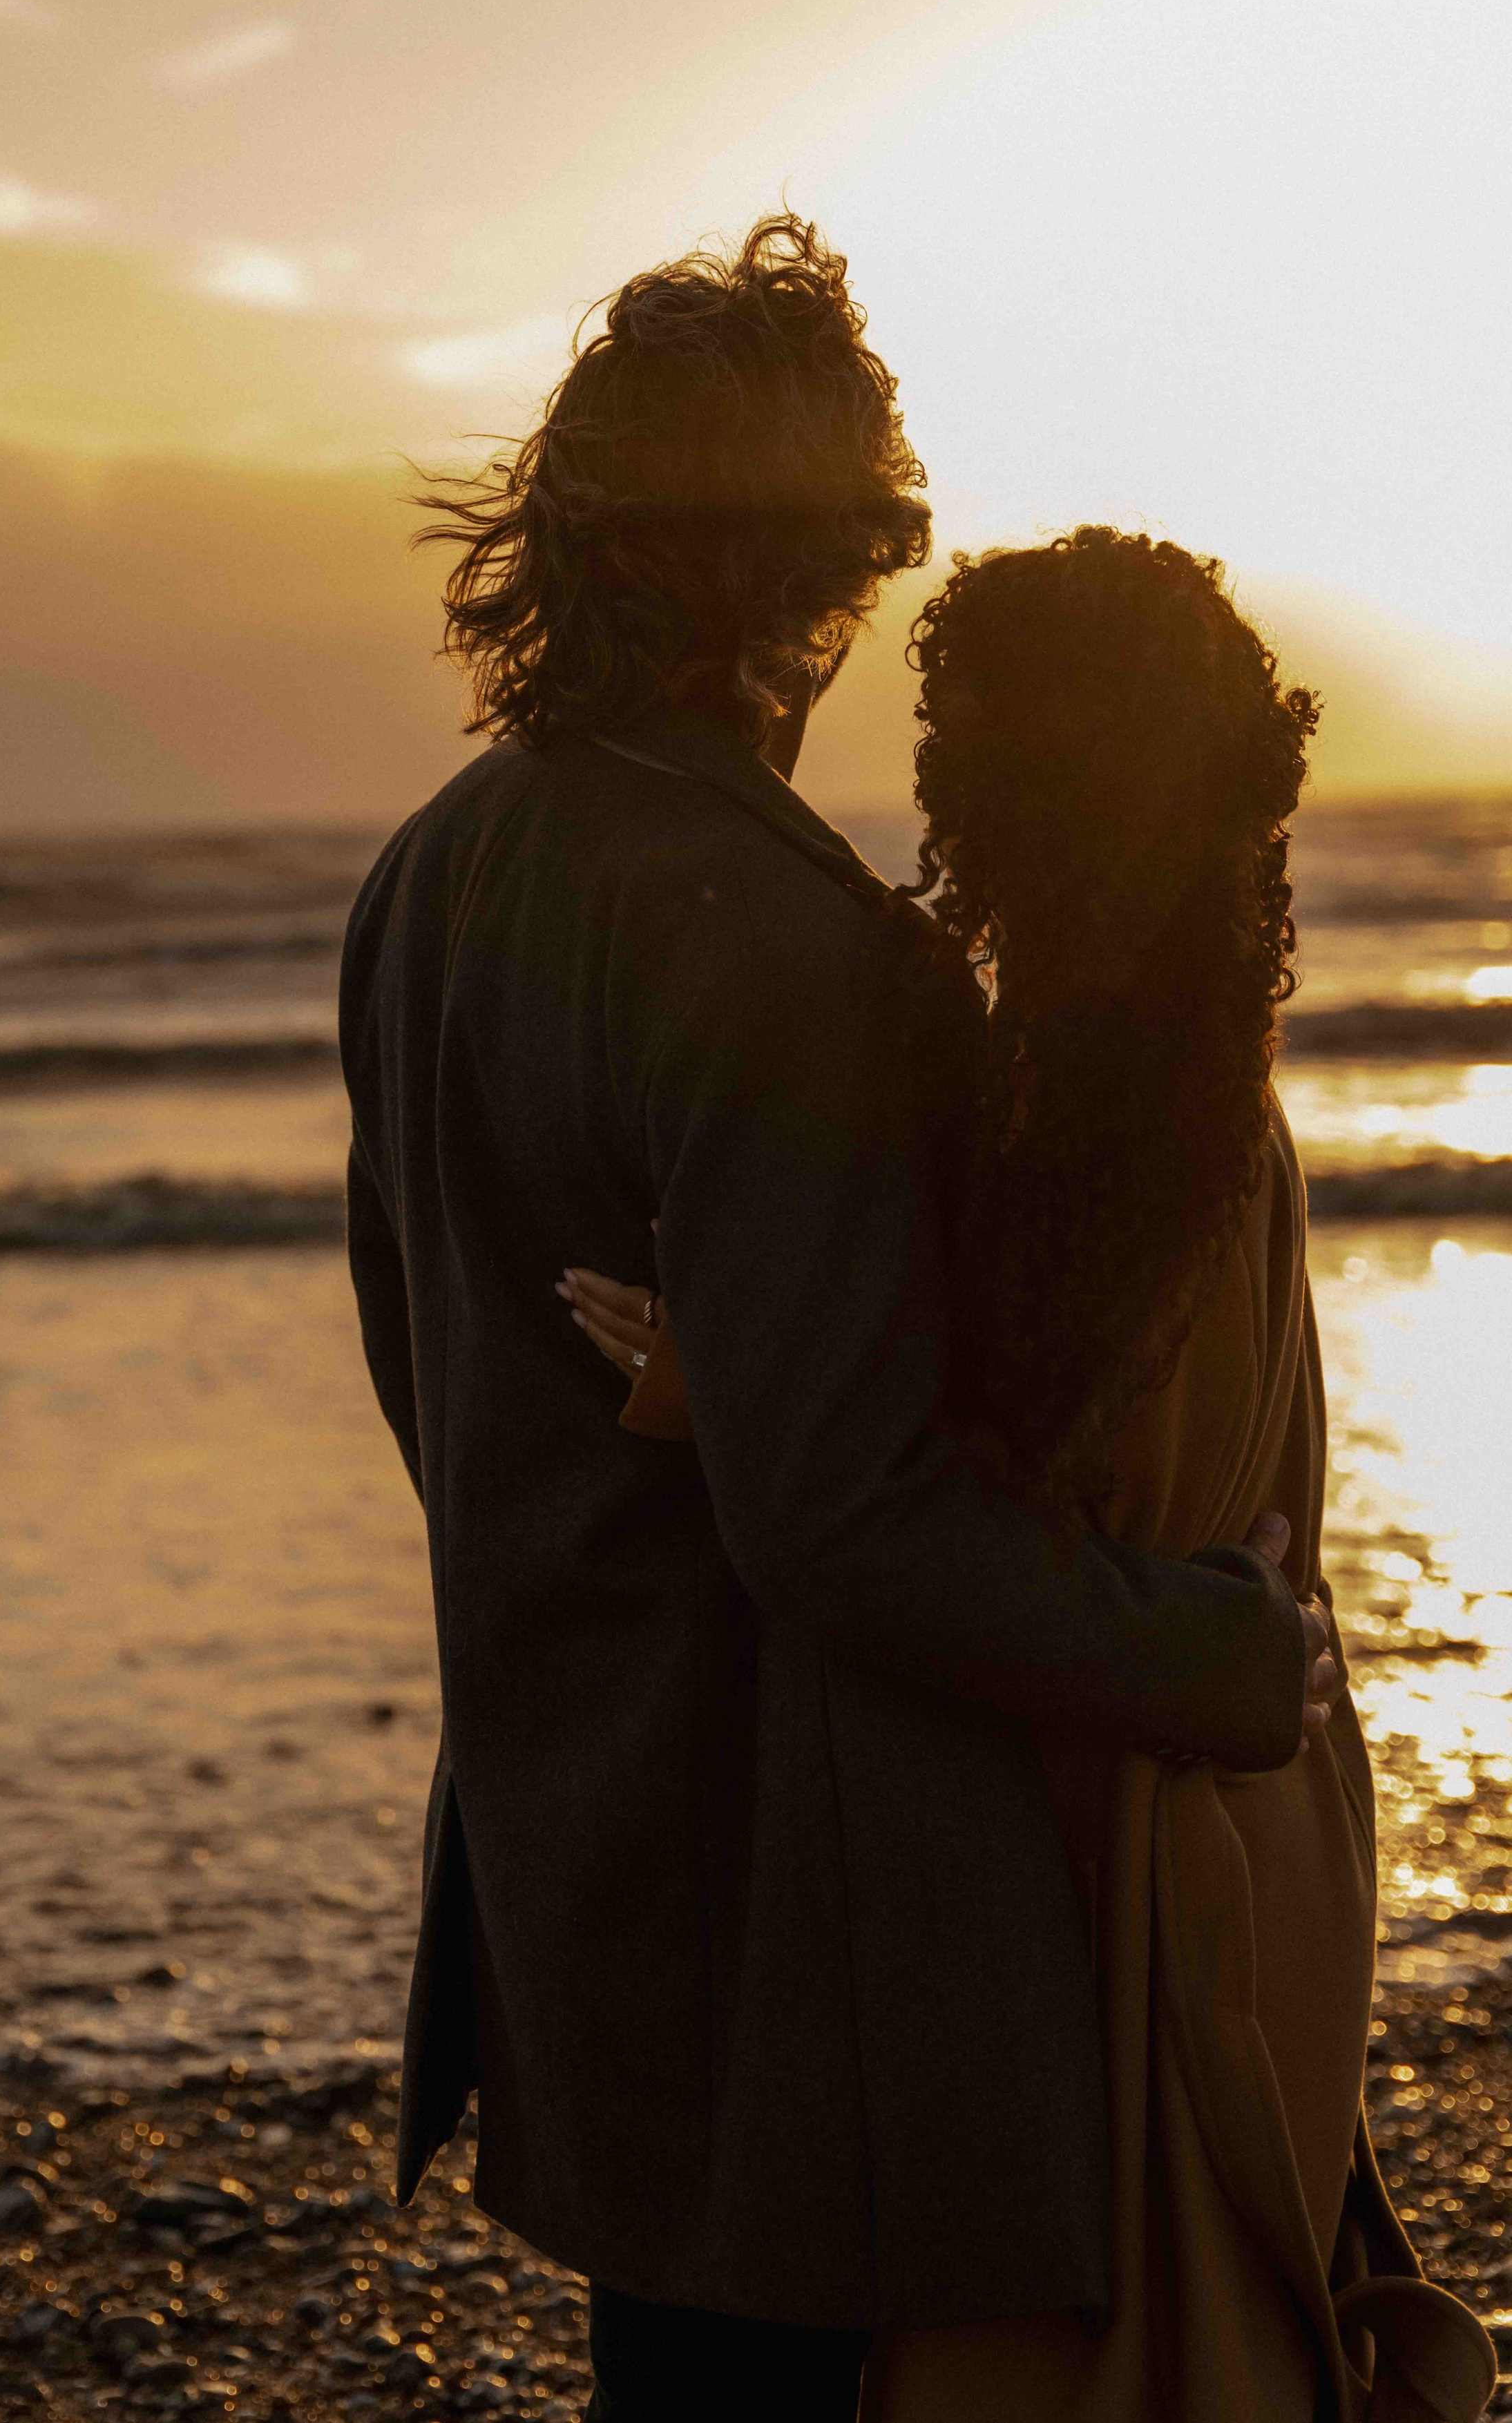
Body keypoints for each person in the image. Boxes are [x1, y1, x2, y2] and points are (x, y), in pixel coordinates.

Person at [338, 218, 1329, 2423]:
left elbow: (435, 1368)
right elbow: (843, 1513)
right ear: (822, 559)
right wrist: (1215, 1646)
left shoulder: (430, 869)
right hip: (810, 1933)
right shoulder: (799, 948)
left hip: (565, 1850)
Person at [568, 529, 1496, 2422]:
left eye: (975, 752)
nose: (938, 796)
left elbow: (979, 1494)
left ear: (1070, 781)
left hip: (1158, 1839)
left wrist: (718, 1392)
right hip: (1247, 1804)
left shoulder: (1109, 1098)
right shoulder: (1173, 1045)